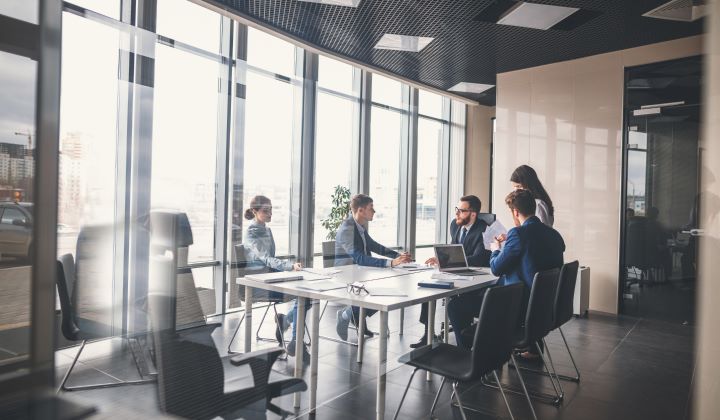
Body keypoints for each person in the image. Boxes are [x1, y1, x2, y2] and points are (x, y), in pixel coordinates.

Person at [447, 189, 565, 352]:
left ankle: (467, 356)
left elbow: (496, 268)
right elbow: (535, 255)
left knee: (456, 306)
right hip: (544, 306)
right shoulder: (554, 234)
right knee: (479, 295)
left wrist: (496, 249)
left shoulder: (517, 233)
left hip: (517, 307)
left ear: (515, 212)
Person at [410, 195, 491, 348]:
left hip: (475, 275)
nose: (457, 213)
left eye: (461, 210)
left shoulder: (484, 230)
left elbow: (478, 258)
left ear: (473, 214)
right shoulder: (455, 224)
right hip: (454, 270)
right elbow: (453, 249)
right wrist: (440, 258)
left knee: (458, 304)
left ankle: (466, 342)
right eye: (457, 209)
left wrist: (449, 261)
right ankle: (428, 334)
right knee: (429, 288)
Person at [334, 194, 412, 341]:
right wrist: (390, 263)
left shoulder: (359, 227)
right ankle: (346, 315)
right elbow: (359, 258)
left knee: (382, 292)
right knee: (378, 293)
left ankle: (355, 316)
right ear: (361, 210)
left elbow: (374, 246)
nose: (374, 211)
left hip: (360, 272)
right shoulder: (347, 228)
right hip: (346, 274)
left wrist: (398, 256)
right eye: (371, 208)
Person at [243, 195, 309, 362]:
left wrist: (288, 269)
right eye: (266, 211)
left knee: (307, 294)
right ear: (254, 211)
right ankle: (295, 340)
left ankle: (285, 322)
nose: (270, 213)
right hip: (258, 284)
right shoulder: (251, 232)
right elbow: (266, 258)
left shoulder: (267, 229)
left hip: (271, 278)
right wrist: (289, 266)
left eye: (271, 210)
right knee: (303, 296)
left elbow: (271, 259)